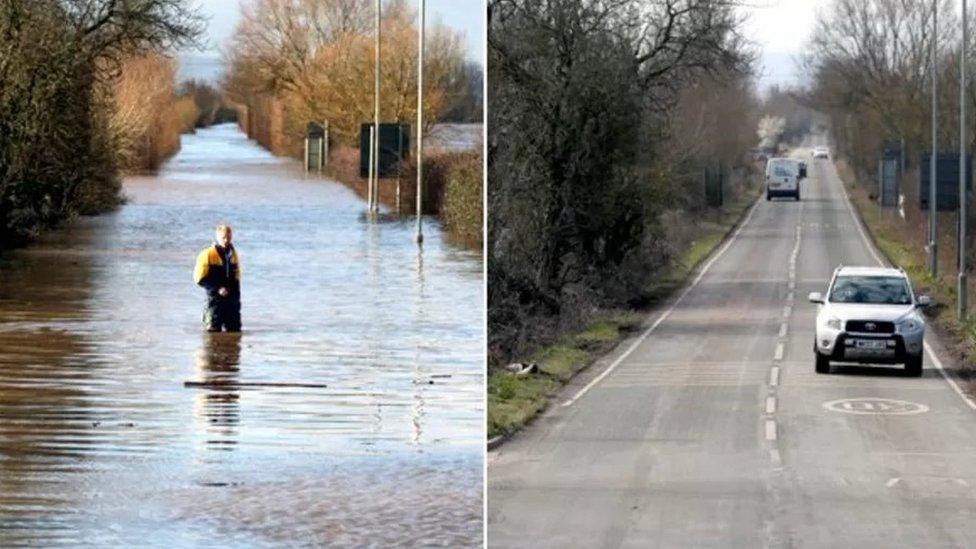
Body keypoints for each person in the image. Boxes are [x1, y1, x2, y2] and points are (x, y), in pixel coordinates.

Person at [193, 224, 242, 332]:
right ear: (217, 237)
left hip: (231, 300)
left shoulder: (233, 254)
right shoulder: (208, 254)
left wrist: (236, 297)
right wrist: (217, 288)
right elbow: (199, 279)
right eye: (223, 237)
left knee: (235, 330)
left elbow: (237, 277)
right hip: (214, 300)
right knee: (212, 332)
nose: (226, 240)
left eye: (228, 237)